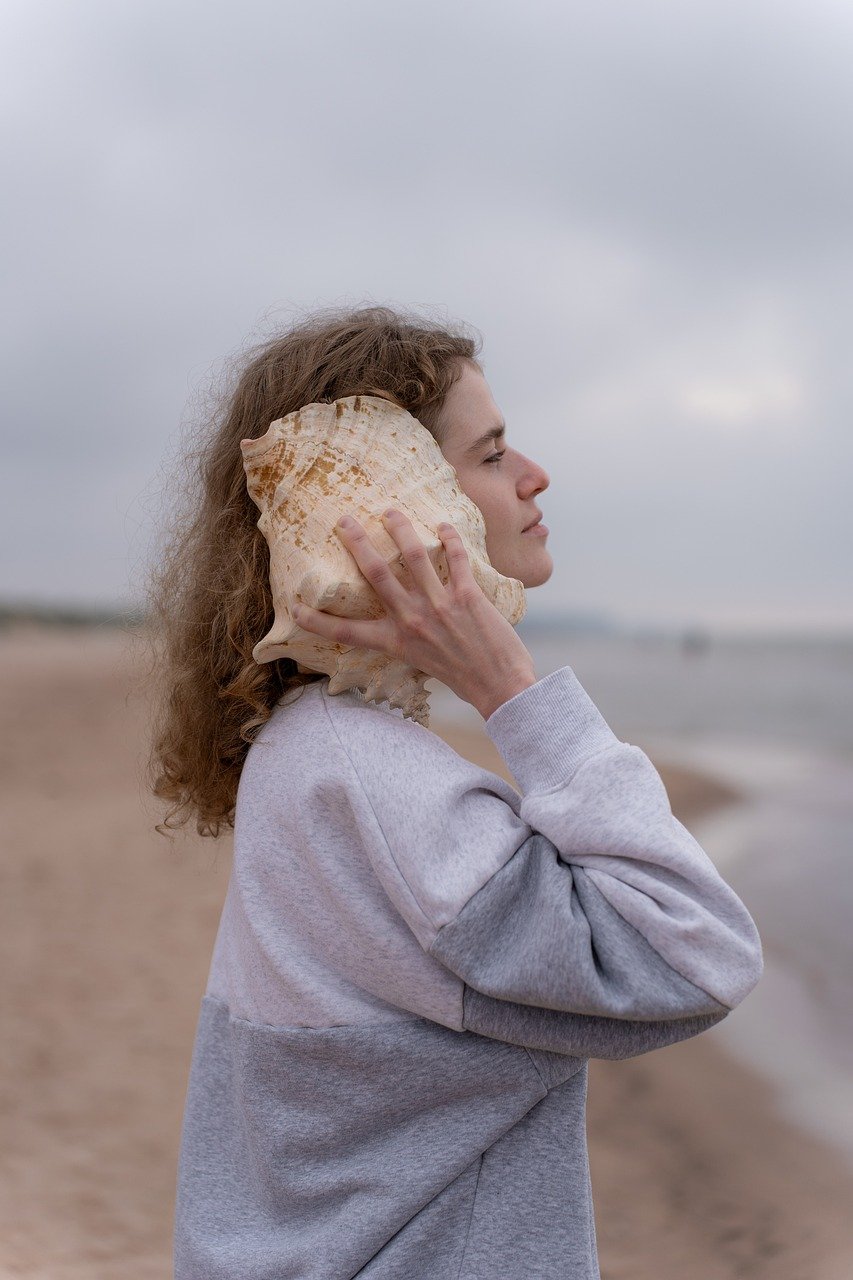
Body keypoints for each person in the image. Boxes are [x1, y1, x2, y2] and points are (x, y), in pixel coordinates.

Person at [148, 304, 763, 1280]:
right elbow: (696, 954)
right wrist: (514, 690)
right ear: (393, 499)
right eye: (492, 452)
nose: (533, 476)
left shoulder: (308, 753)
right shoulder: (382, 790)